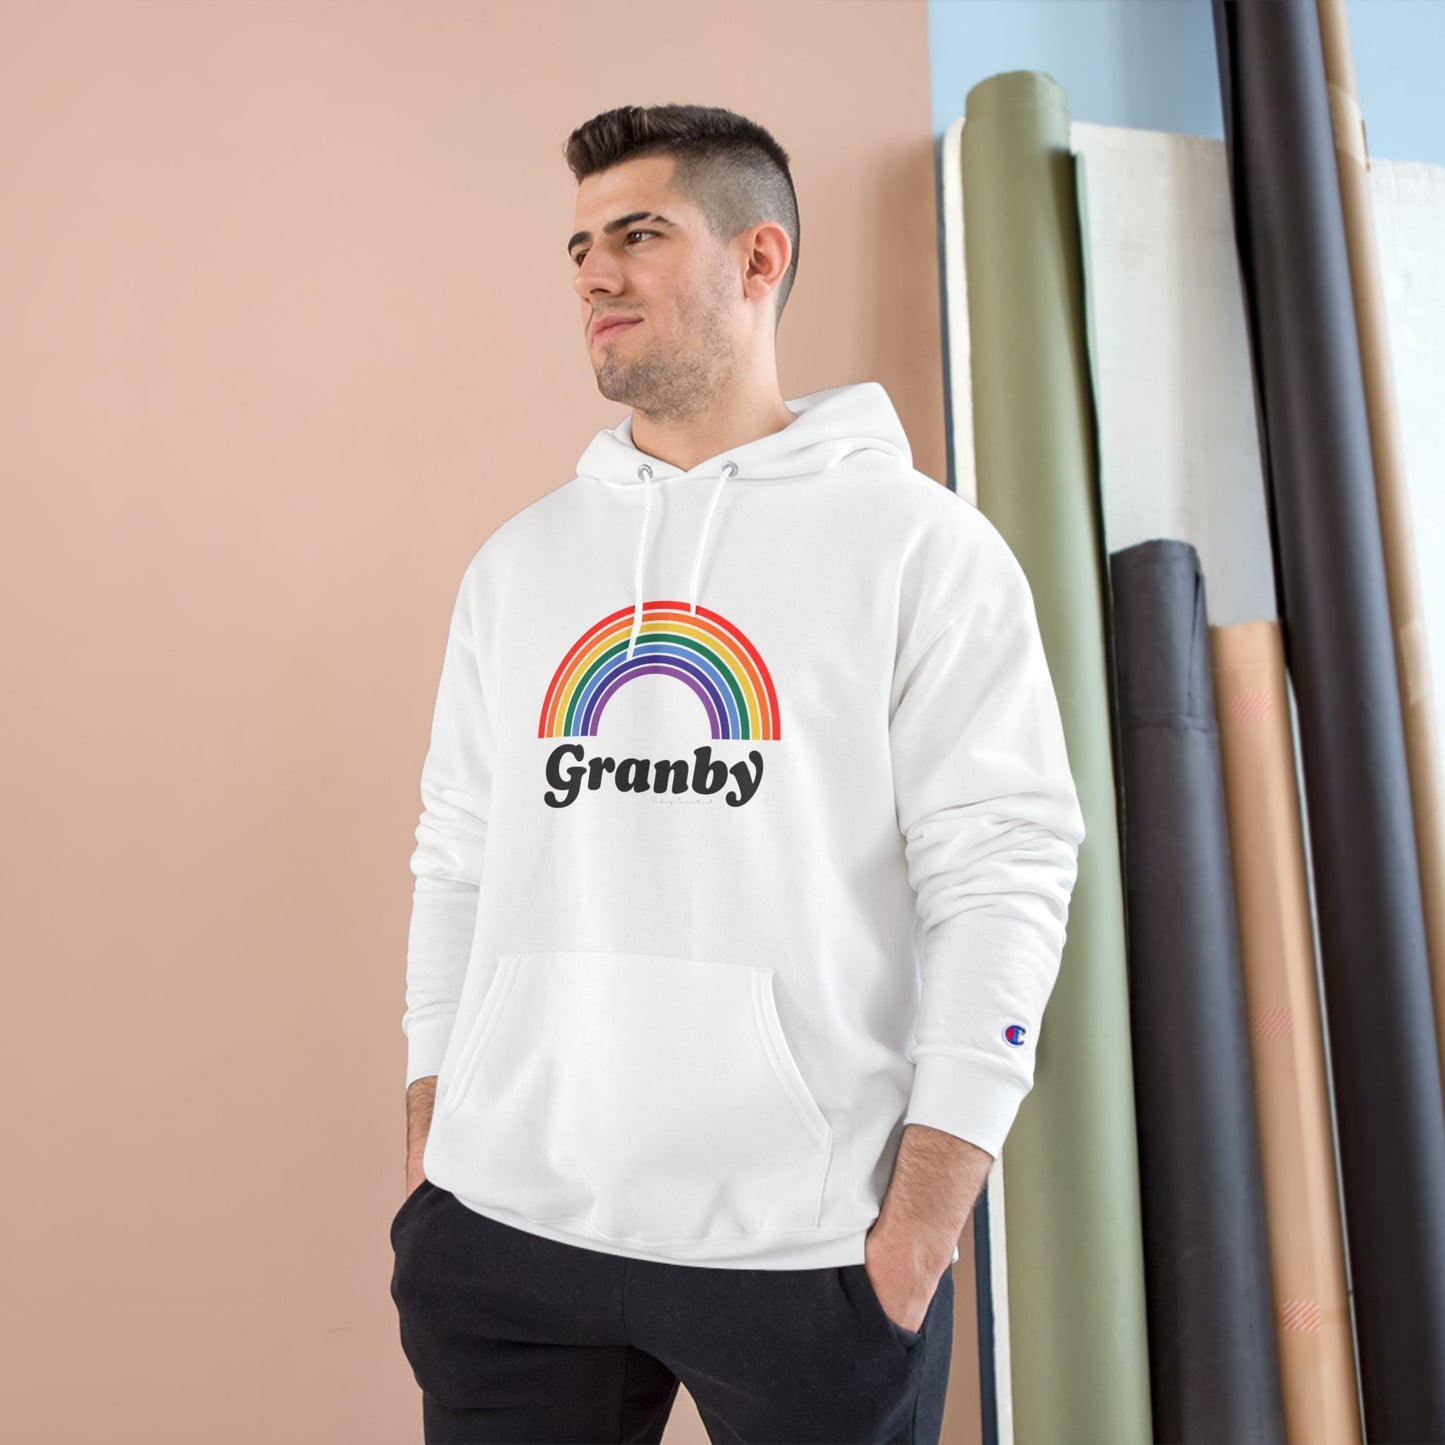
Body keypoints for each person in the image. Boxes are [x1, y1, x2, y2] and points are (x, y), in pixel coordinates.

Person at [388, 102, 1085, 1445]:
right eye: (580, 246)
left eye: (639, 235)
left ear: (759, 258)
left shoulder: (922, 551)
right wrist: (433, 1128)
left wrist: (925, 1217)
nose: (594, 274)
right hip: (507, 1228)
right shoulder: (521, 564)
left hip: (804, 1245)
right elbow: (455, 851)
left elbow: (1003, 872)